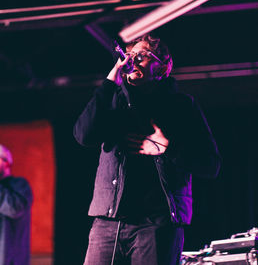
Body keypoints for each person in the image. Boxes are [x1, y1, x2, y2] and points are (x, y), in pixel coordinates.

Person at [73, 34, 221, 265]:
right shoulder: (113, 100)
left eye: (141, 56)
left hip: (156, 224)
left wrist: (169, 149)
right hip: (108, 222)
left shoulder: (182, 106)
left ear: (161, 67)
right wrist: (109, 83)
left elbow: (210, 164)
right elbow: (83, 135)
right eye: (130, 56)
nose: (133, 61)